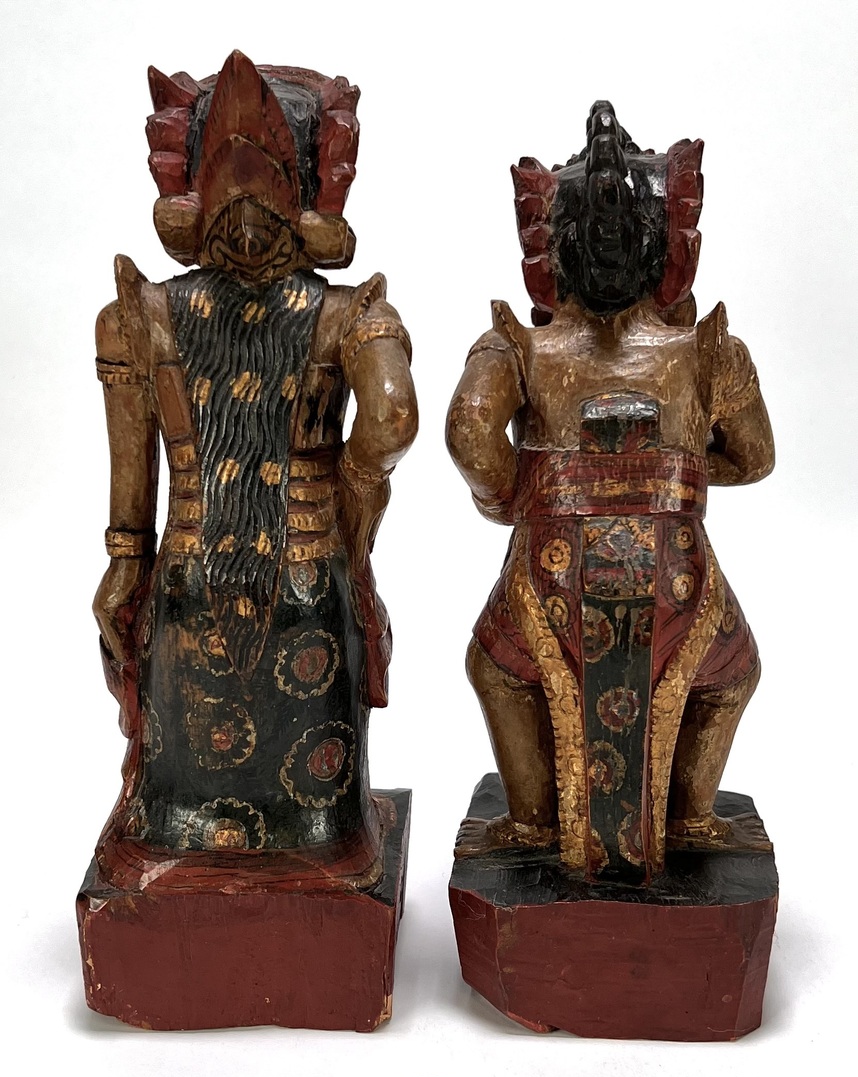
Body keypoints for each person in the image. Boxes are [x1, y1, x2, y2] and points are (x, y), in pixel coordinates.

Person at [92, 53, 416, 888]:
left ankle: (183, 852)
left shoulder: (138, 319)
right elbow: (392, 420)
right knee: (315, 818)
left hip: (187, 580)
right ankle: (315, 857)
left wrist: (124, 565)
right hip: (306, 578)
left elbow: (132, 490)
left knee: (175, 803)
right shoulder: (351, 317)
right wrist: (350, 512)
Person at [447, 102, 773, 882]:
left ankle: (531, 818)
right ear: (666, 251)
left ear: (550, 255)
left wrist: (512, 497)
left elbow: (469, 431)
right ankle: (688, 813)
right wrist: (676, 477)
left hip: (551, 571)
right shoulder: (708, 351)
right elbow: (755, 456)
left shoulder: (519, 347)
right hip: (674, 574)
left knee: (500, 670)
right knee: (728, 674)